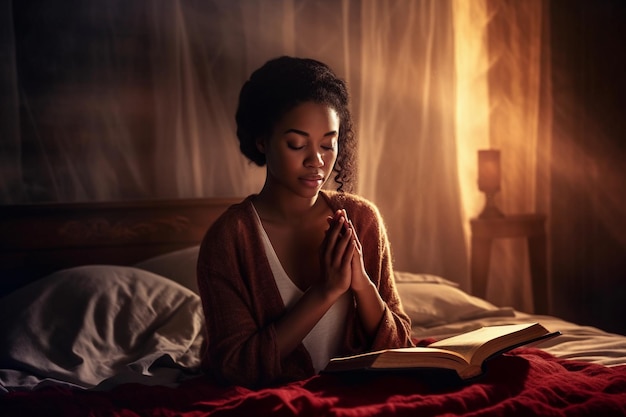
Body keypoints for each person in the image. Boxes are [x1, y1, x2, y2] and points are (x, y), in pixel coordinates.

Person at [196, 56, 413, 388]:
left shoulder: (362, 220)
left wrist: (362, 286)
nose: (317, 161)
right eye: (297, 144)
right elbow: (236, 369)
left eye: (328, 144)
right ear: (262, 141)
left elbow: (401, 348)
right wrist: (325, 291)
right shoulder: (230, 240)